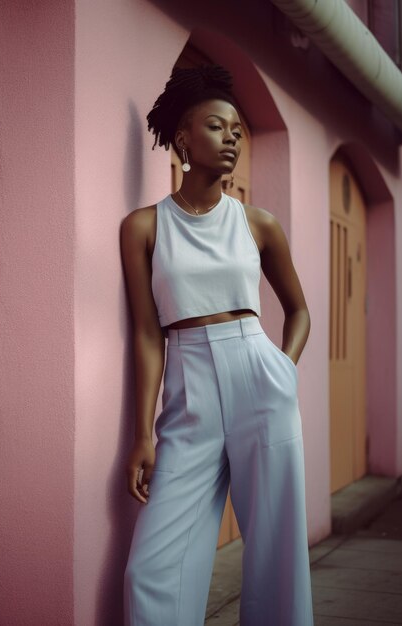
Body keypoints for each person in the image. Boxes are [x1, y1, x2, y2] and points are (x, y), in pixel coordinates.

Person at [121, 65, 314, 626]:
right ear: (182, 138)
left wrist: (283, 368)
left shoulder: (259, 223)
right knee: (150, 571)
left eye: (236, 131)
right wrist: (142, 434)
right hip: (188, 394)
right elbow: (146, 332)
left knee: (278, 556)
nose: (231, 137)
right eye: (216, 126)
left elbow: (299, 309)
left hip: (261, 378)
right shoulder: (142, 227)